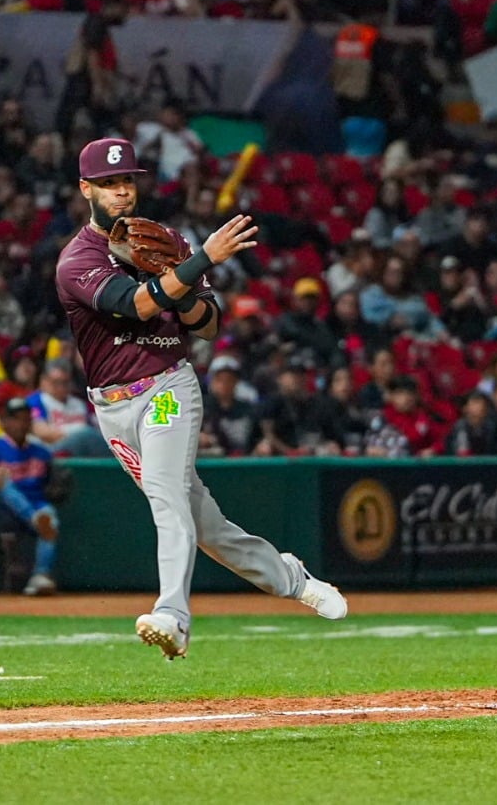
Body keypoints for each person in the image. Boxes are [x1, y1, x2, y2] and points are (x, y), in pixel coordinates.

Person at [54, 137, 348, 660]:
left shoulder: (165, 239)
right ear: (86, 190)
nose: (122, 193)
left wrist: (184, 279)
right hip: (114, 409)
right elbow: (136, 304)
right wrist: (195, 264)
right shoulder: (78, 260)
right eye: (108, 184)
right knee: (205, 524)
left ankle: (172, 615)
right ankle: (290, 578)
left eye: (127, 182)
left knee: (166, 495)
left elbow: (208, 324)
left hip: (167, 387)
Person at [0, 397, 62, 596]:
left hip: (37, 503)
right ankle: (35, 520)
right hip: (3, 509)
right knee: (3, 479)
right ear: (5, 422)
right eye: (16, 419)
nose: (21, 424)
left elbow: (52, 483)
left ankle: (40, 576)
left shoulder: (41, 451)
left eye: (25, 419)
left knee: (50, 519)